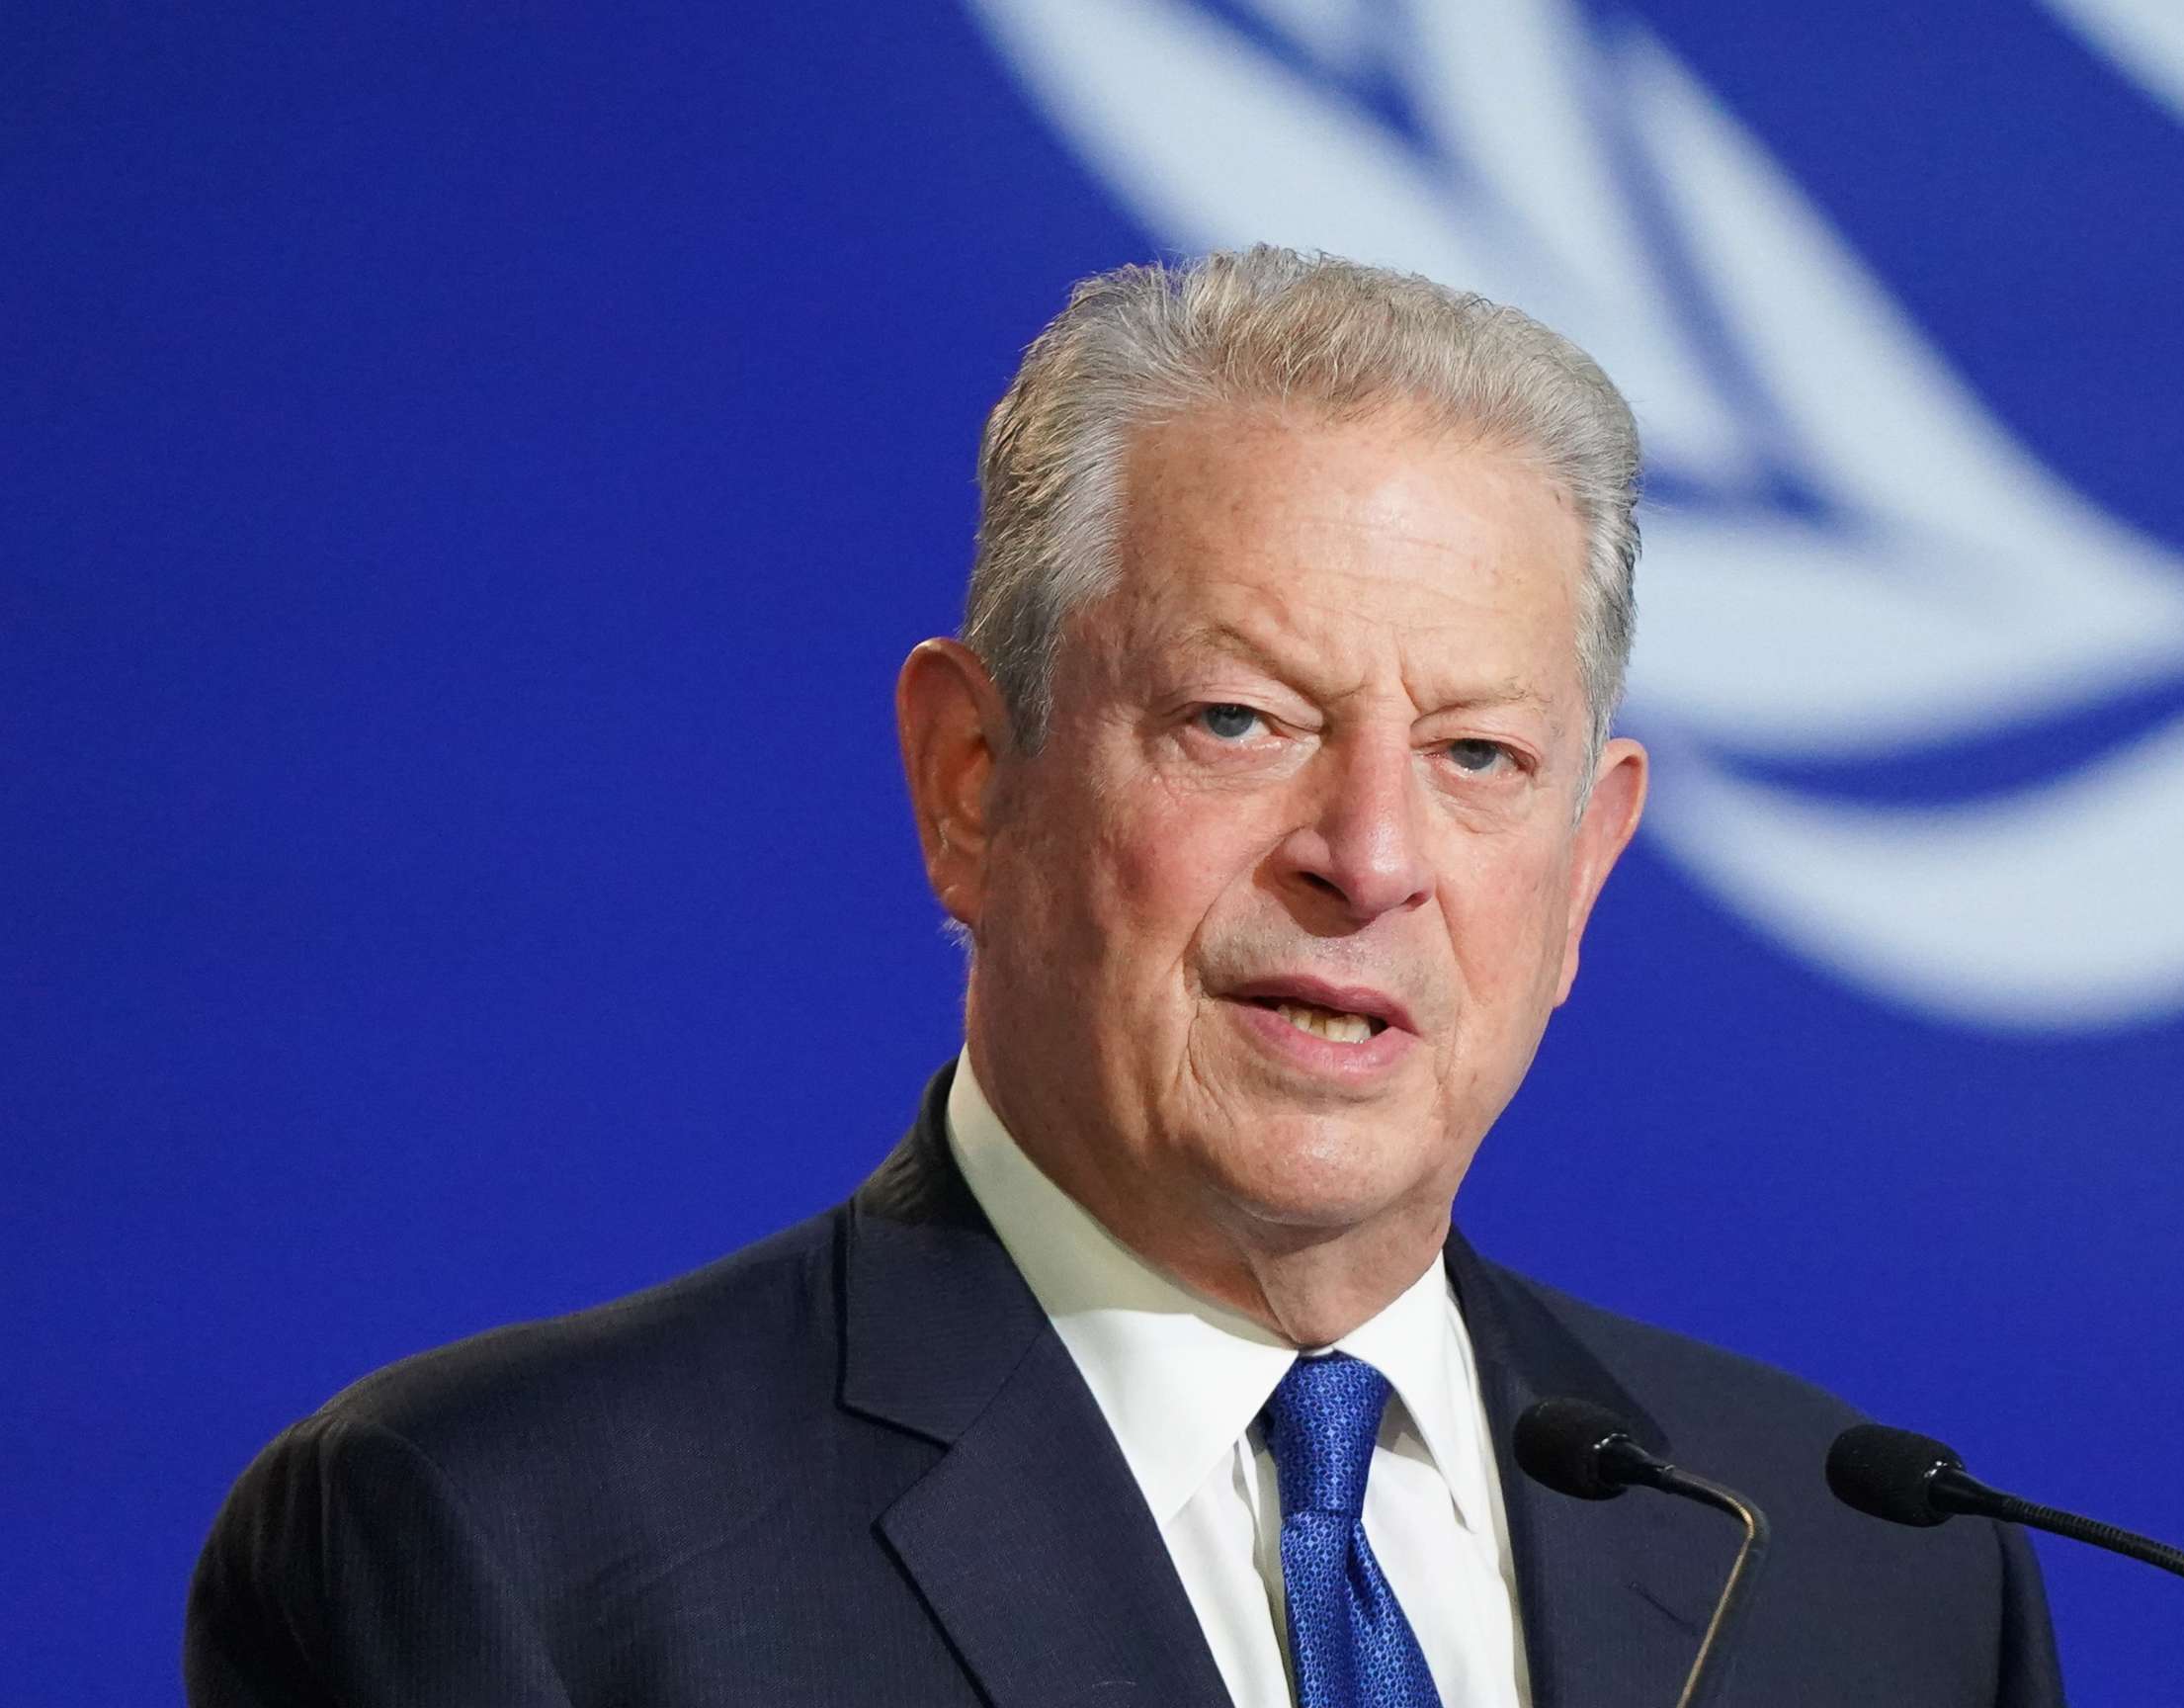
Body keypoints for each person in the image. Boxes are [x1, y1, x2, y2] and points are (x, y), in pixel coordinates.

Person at [186, 248, 2064, 1707]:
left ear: (1586, 869)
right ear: (973, 784)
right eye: (1242, 720)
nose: (1373, 856)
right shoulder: (508, 1544)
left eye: (1479, 757)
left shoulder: (1871, 1569)